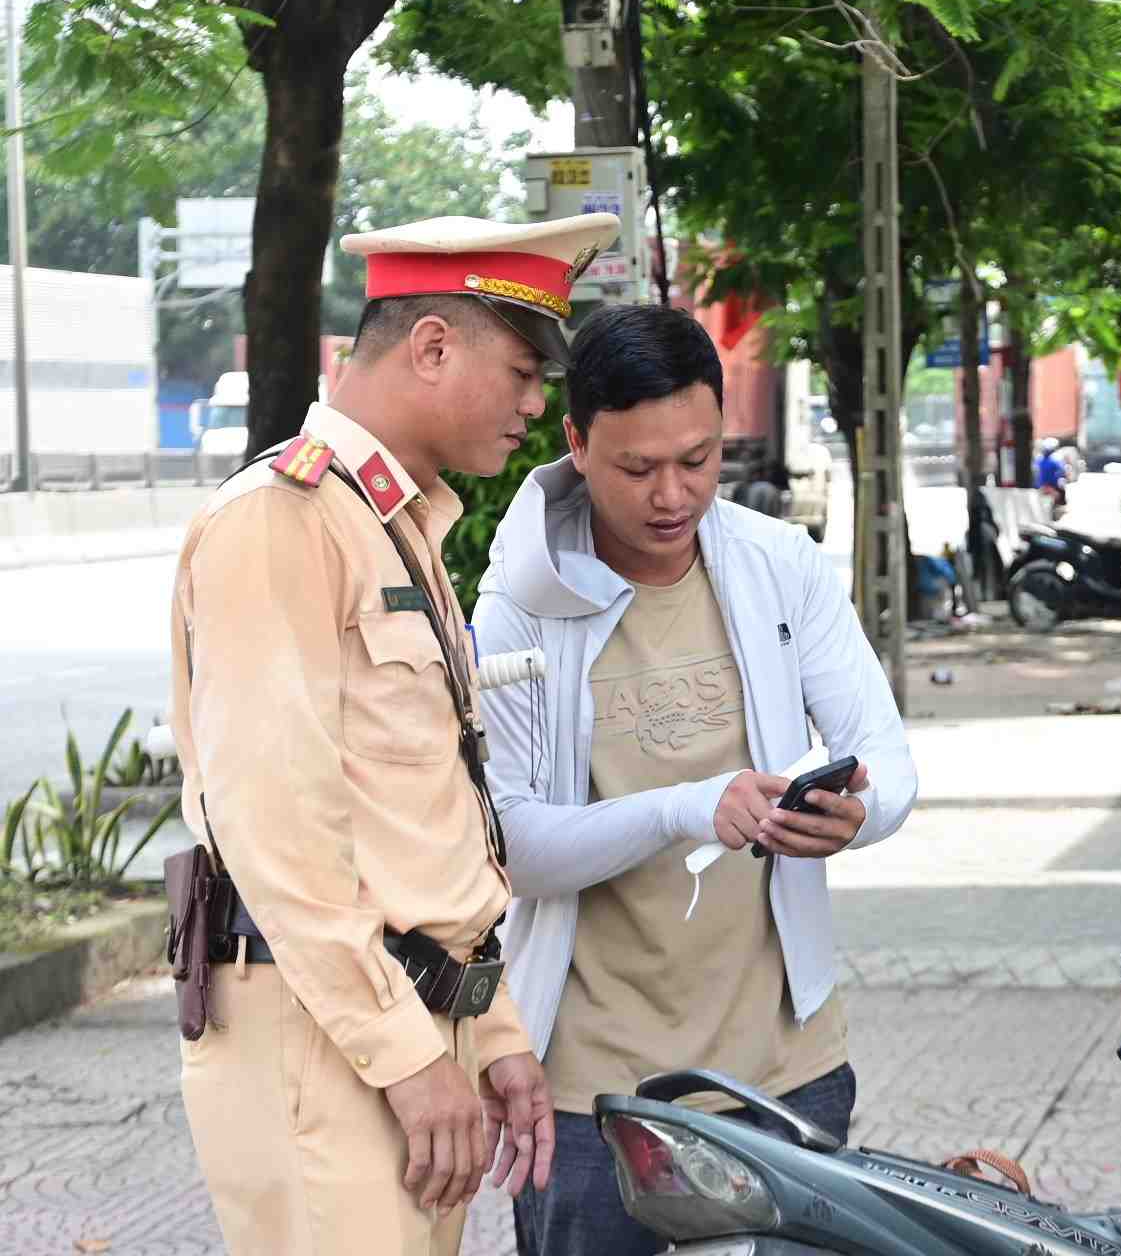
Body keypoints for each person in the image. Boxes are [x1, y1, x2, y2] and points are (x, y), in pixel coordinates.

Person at [168, 211, 620, 1255]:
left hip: (406, 1027)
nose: (535, 403)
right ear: (429, 346)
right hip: (328, 1039)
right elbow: (276, 828)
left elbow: (428, 816)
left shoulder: (391, 525)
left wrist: (490, 1030)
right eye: (519, 370)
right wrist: (407, 1057)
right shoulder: (278, 521)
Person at [468, 304, 918, 1256]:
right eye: (638, 468)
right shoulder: (518, 604)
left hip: (786, 1066)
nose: (673, 495)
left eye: (700, 459)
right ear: (576, 444)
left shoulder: (777, 566)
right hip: (591, 1089)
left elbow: (889, 753)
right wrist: (686, 809)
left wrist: (856, 815)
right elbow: (509, 845)